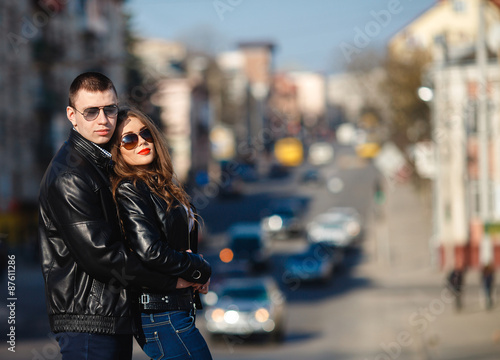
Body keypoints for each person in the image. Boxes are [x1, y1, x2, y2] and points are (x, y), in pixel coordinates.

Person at [38, 72, 211, 360]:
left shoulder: (100, 163)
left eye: (110, 109)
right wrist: (176, 278)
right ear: (72, 115)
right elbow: (103, 257)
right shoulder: (71, 175)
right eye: (91, 112)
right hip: (89, 321)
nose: (103, 120)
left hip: (111, 313)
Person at [110, 107, 213, 360]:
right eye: (129, 139)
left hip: (175, 308)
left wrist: (194, 271)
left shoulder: (160, 184)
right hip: (160, 313)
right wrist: (197, 267)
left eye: (145, 133)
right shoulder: (130, 188)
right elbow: (150, 251)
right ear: (117, 150)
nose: (142, 142)